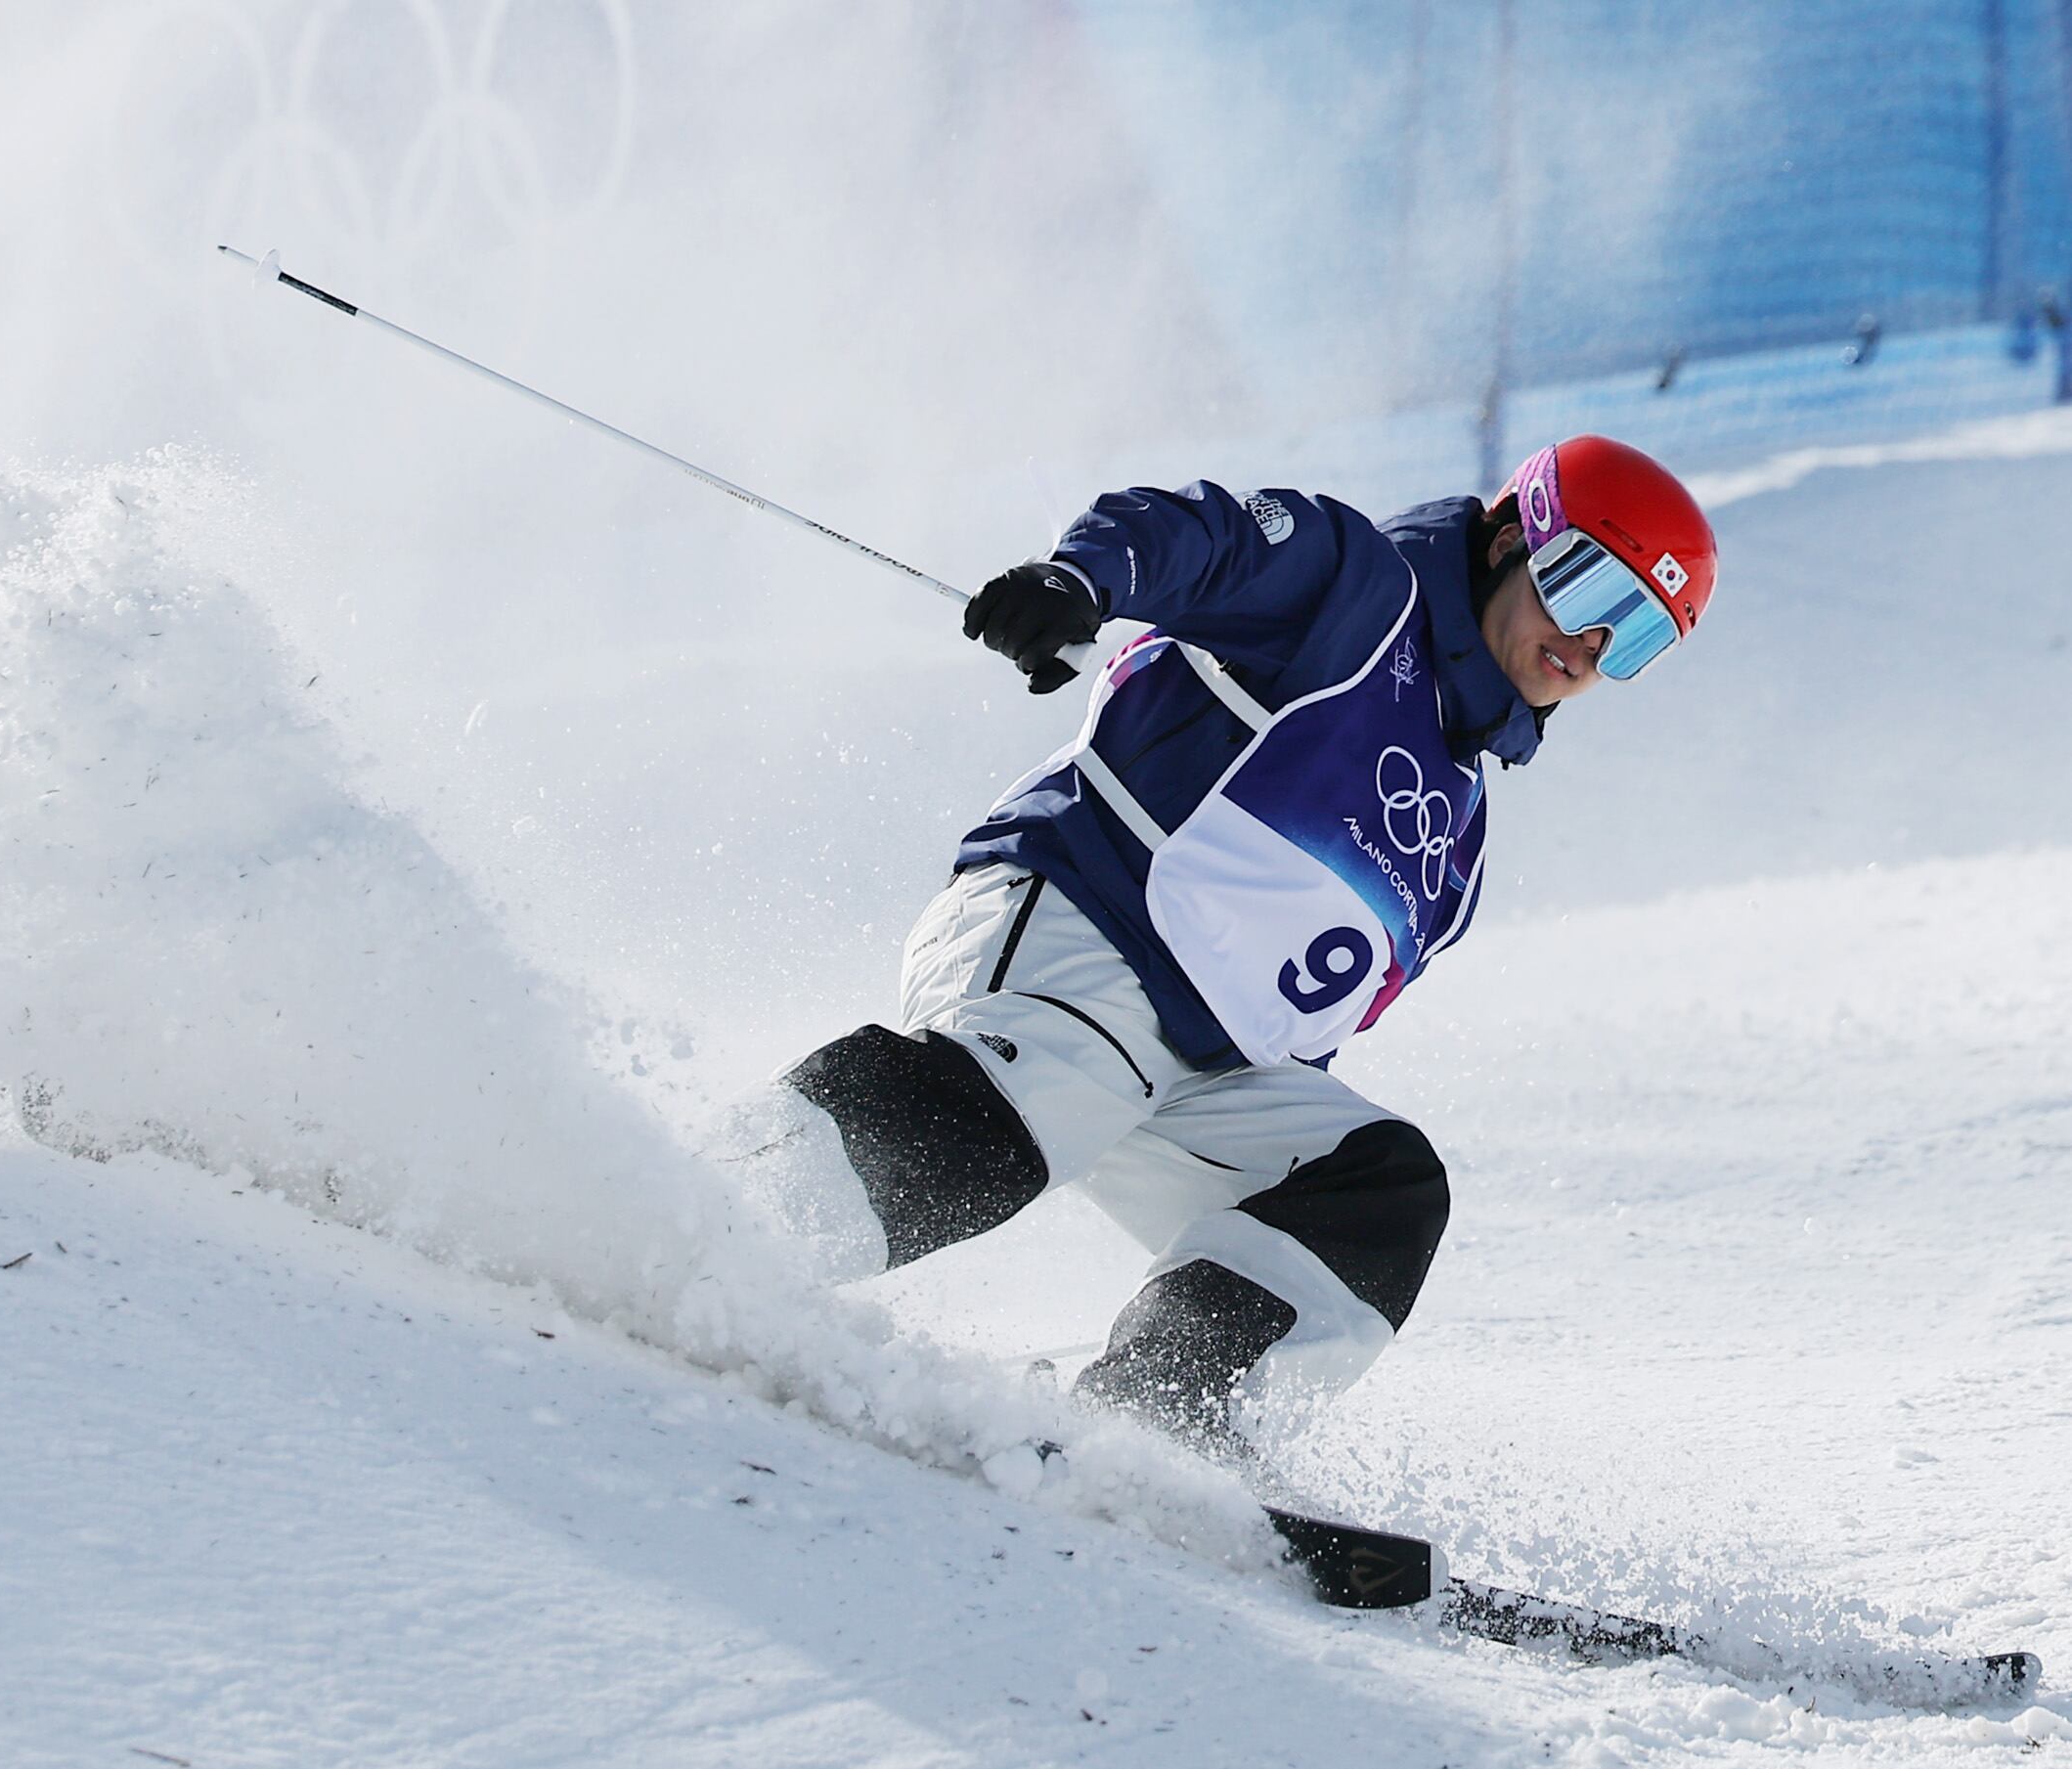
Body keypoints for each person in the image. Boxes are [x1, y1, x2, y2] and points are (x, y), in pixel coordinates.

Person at [718, 435, 1718, 1452]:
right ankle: (711, 1223)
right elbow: (1199, 538)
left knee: (1375, 1186)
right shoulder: (1355, 590)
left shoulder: (1456, 837)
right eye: (1584, 582)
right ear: (1510, 534)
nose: (1588, 642)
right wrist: (1080, 580)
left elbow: (1305, 1017)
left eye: (1635, 634)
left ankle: (1158, 1428)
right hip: (1082, 919)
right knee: (1034, 1102)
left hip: (1205, 1068)